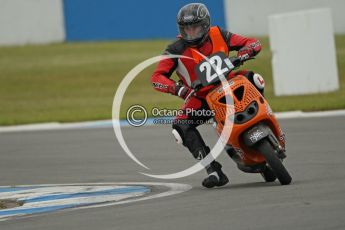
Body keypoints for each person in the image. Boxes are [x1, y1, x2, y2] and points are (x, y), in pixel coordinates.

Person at [150, 3, 264, 188]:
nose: (191, 33)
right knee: (180, 126)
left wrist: (245, 52)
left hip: (230, 82)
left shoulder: (220, 34)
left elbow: (252, 42)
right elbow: (157, 78)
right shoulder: (175, 49)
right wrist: (179, 89)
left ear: (205, 25)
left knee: (256, 79)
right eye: (186, 29)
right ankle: (213, 170)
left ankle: (264, 120)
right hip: (202, 97)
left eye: (195, 27)